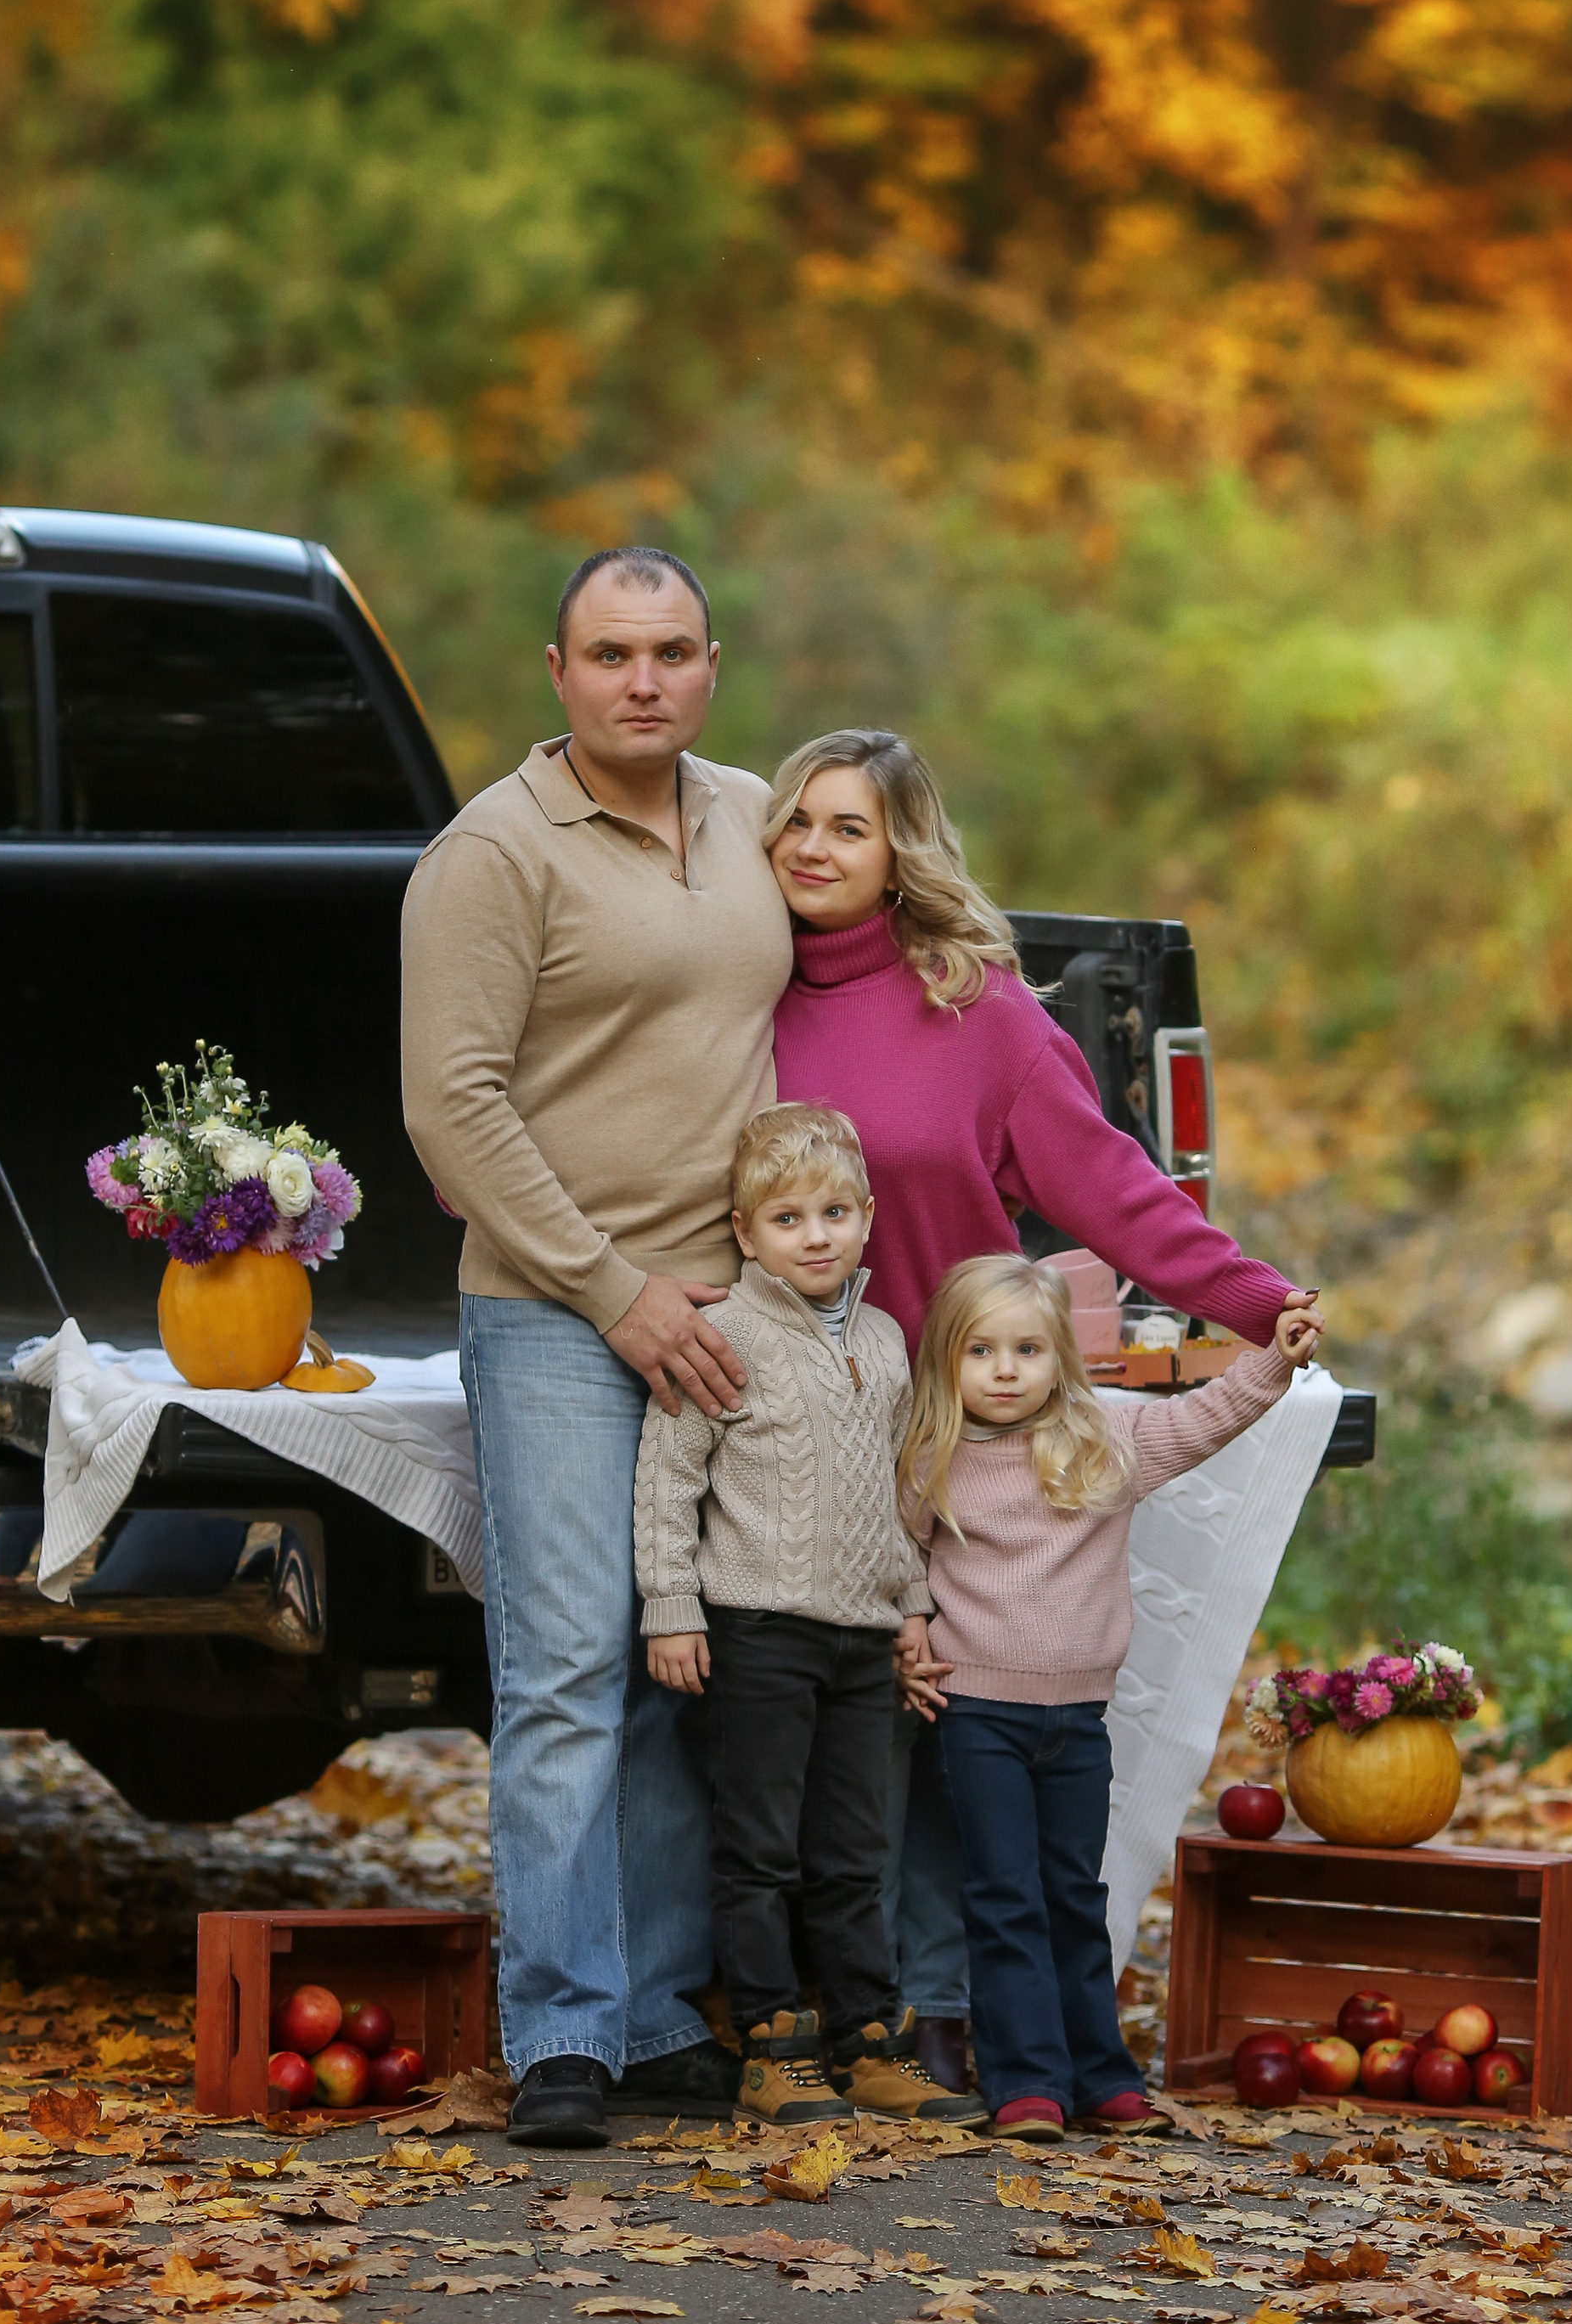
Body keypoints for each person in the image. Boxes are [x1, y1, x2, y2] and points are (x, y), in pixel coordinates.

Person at [765, 725, 1321, 2096]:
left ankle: (954, 2013)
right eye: (795, 822)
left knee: (959, 1733)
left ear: (904, 852)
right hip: (781, 1420)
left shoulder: (983, 1017)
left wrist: (1253, 1301)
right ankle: (809, 2012)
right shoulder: (731, 995)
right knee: (810, 1734)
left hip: (945, 1422)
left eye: (849, 827)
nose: (814, 850)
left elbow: (1116, 1190)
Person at [401, 547, 795, 2149]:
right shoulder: (491, 855)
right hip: (563, 1315)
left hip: (741, 1319)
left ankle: (647, 2017)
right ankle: (561, 2027)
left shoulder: (758, 814)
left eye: (674, 652)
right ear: (555, 672)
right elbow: (455, 1107)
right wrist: (612, 1286)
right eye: (612, 653)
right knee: (565, 1667)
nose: (645, 680)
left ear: (714, 665)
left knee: (676, 1668)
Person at [897, 1252, 1323, 2138]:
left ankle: (1101, 2077)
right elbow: (894, 1556)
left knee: (1072, 1897)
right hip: (976, 1715)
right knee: (1005, 1897)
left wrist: (1274, 1358)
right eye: (980, 1352)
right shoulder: (932, 1455)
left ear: (1060, 1357)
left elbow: (1210, 1416)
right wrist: (904, 1631)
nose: (1004, 1370)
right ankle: (1025, 2087)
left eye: (1025, 1350)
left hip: (1076, 1723)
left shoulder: (1106, 1442)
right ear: (946, 1359)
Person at [634, 1102, 987, 2131]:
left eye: (834, 1212)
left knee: (852, 1846)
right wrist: (671, 1606)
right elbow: (667, 1480)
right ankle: (771, 2039)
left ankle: (869, 2042)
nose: (816, 1234)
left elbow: (902, 1486)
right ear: (746, 1234)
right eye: (787, 1219)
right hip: (758, 1631)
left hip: (862, 1637)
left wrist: (913, 1606)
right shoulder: (722, 1336)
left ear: (868, 1218)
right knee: (759, 1846)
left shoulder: (882, 1340)